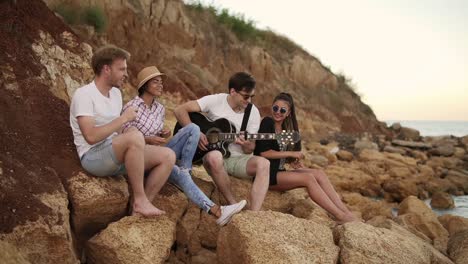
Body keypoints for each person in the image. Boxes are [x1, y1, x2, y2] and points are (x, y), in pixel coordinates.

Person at [121, 66, 246, 225]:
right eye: (155, 82)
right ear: (144, 86)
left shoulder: (160, 108)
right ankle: (217, 210)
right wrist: (148, 139)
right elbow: (127, 138)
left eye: (161, 82)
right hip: (142, 158)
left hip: (161, 154)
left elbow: (158, 136)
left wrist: (163, 134)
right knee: (180, 174)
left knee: (193, 128)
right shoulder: (132, 107)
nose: (161, 85)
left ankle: (185, 168)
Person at [70, 45, 174, 217]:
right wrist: (124, 119)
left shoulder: (116, 94)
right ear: (106, 69)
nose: (126, 74)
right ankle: (140, 200)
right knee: (134, 137)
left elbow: (118, 132)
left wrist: (136, 134)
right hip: (93, 156)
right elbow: (90, 136)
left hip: (114, 153)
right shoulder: (84, 95)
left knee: (168, 155)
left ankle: (139, 208)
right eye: (122, 69)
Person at [254, 92, 358, 223]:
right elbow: (264, 152)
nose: (278, 112)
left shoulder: (287, 130)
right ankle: (339, 216)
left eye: (283, 110)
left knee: (319, 174)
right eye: (275, 108)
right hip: (267, 175)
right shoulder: (267, 123)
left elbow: (283, 155)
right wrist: (290, 154)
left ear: (288, 113)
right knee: (308, 179)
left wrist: (293, 163)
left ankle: (345, 211)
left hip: (280, 172)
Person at [174, 72, 270, 211]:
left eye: (251, 97)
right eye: (245, 96)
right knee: (214, 156)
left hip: (238, 159)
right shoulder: (216, 100)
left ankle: (254, 213)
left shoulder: (252, 112)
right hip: (213, 156)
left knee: (264, 164)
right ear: (232, 91)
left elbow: (250, 149)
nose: (249, 100)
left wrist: (247, 145)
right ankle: (232, 204)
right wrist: (197, 133)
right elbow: (179, 110)